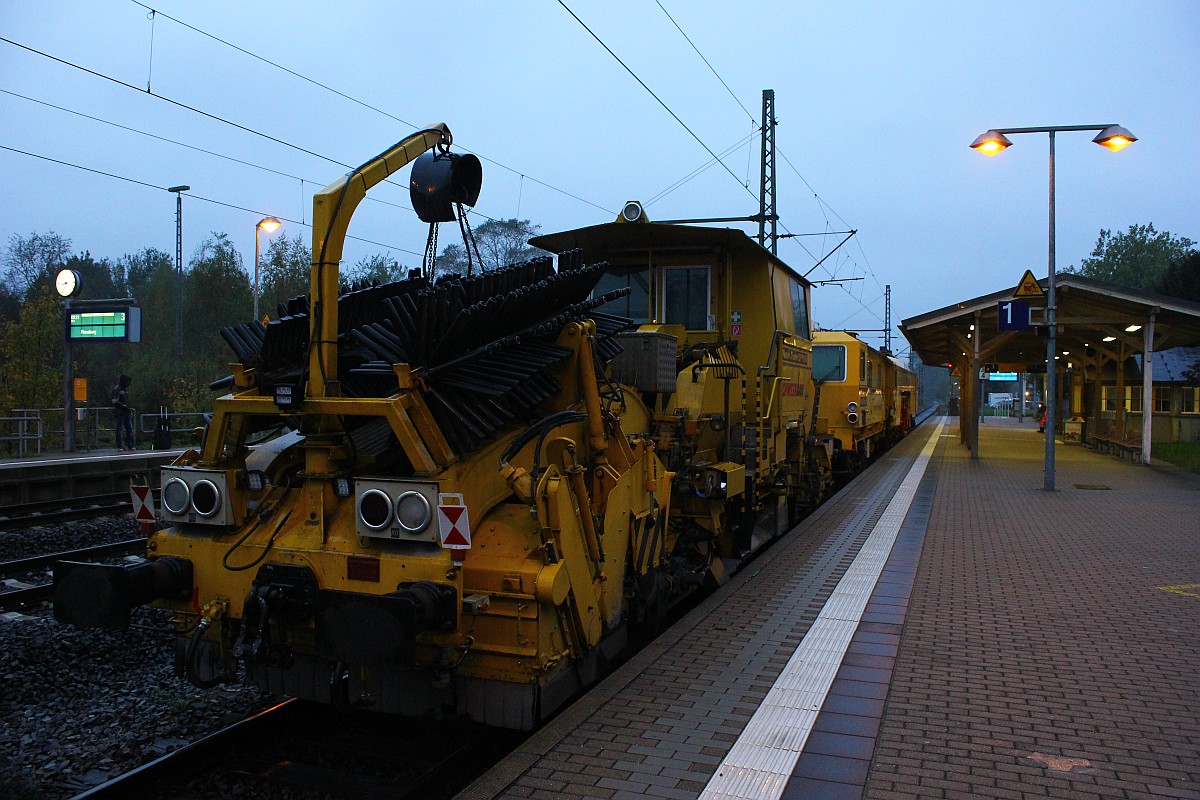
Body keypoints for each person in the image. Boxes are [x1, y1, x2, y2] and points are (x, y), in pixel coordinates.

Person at [112, 374, 135, 451]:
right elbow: (115, 401)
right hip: (119, 412)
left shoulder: (125, 389)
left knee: (129, 429)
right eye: (127, 381)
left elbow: (127, 401)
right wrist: (125, 408)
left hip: (126, 412)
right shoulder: (117, 389)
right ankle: (120, 446)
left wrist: (128, 410)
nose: (128, 383)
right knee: (119, 429)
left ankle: (131, 445)